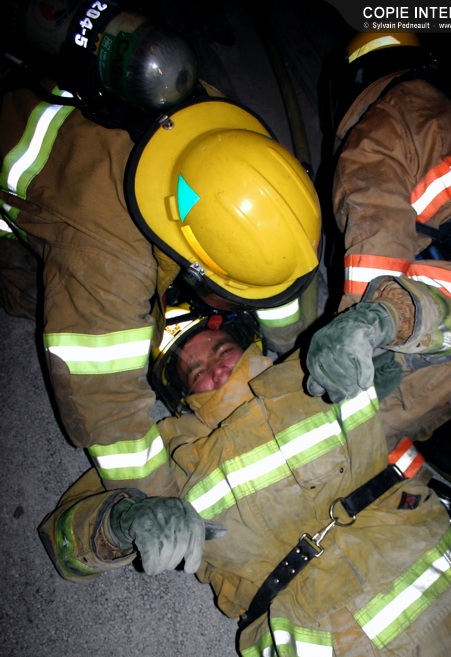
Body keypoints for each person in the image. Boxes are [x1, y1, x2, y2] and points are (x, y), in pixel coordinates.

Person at [38, 282, 451, 657]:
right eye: (195, 372)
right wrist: (124, 519)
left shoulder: (315, 365)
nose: (215, 372)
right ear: (179, 395)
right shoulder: (166, 457)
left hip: (416, 616)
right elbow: (65, 543)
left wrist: (380, 320)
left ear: (247, 342)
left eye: (221, 351)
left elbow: (448, 330)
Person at [0, 0, 327, 501]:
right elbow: (104, 407)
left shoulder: (232, 144)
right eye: (234, 294)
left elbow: (275, 264)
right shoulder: (108, 258)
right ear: (198, 264)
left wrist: (294, 346)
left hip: (88, 111)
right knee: (25, 294)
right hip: (20, 167)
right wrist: (155, 504)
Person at [305, 32, 451, 610]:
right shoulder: (448, 105)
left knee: (356, 428)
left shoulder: (380, 123)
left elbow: (377, 228)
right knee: (424, 399)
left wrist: (360, 333)